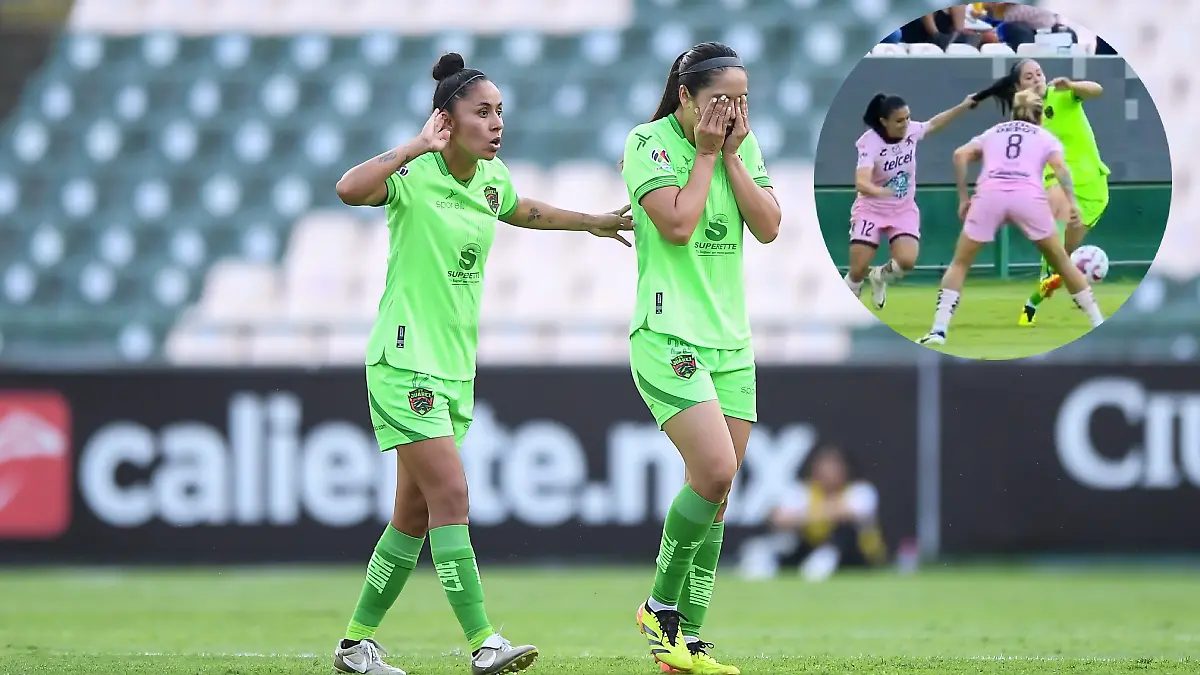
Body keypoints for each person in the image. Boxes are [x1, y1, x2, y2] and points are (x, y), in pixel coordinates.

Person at [331, 52, 633, 675]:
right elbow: (348, 189)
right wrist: (415, 145)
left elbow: (525, 210)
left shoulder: (491, 181)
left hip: (451, 366)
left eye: (500, 113)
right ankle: (484, 643)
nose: (497, 124)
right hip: (405, 359)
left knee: (413, 513)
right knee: (452, 493)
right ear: (448, 120)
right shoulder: (414, 174)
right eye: (483, 113)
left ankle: (356, 644)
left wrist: (594, 223)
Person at [620, 41, 781, 675]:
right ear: (686, 97)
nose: (732, 110)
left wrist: (733, 155)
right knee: (712, 471)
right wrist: (710, 155)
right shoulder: (648, 143)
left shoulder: (743, 144)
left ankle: (687, 644)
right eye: (720, 100)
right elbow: (679, 225)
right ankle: (659, 607)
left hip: (731, 340)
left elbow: (768, 226)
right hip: (668, 334)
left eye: (741, 99)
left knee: (720, 494)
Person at [917, 89, 1104, 346]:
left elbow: (960, 155)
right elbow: (1061, 169)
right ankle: (1097, 322)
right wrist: (1072, 203)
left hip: (989, 195)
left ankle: (938, 330)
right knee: (1062, 262)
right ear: (1040, 114)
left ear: (1012, 111)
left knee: (960, 263)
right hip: (1028, 196)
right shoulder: (1046, 136)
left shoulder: (993, 132)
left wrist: (963, 197)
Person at [973, 58, 1108, 326]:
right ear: (1018, 86)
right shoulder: (1022, 118)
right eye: (1029, 76)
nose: (1037, 79)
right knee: (1054, 210)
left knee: (1061, 264)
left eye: (1039, 73)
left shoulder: (1063, 93)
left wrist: (1073, 84)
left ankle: (1033, 301)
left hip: (1092, 183)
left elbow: (1097, 89)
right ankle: (1087, 308)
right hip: (1055, 180)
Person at [846, 91, 978, 310]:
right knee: (857, 270)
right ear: (883, 122)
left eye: (908, 117)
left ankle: (879, 277)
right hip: (871, 209)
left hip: (903, 209)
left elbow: (934, 124)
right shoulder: (869, 143)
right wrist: (883, 192)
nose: (906, 123)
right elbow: (862, 182)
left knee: (907, 261)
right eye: (899, 120)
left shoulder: (911, 131)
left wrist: (963, 105)